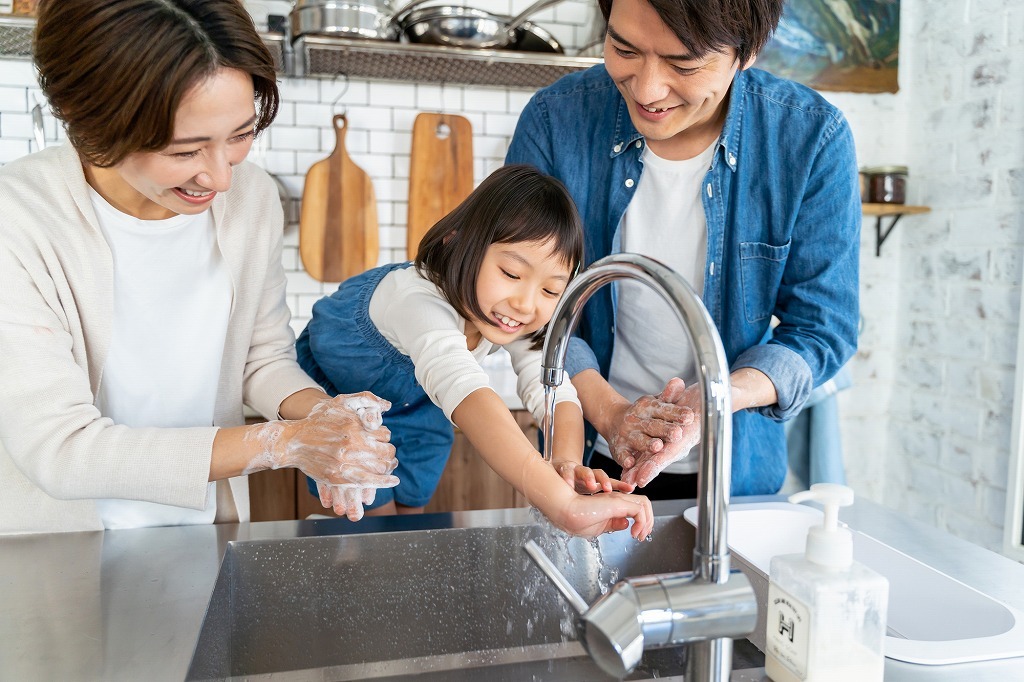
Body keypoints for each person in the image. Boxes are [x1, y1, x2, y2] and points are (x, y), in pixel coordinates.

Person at [0, 0, 399, 534]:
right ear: (93, 123)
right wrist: (284, 442)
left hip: (207, 531)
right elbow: (61, 449)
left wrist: (326, 421)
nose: (220, 179)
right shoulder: (20, 218)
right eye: (185, 151)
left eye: (239, 134)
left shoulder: (252, 198)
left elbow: (260, 361)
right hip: (61, 551)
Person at [505, 0, 860, 498]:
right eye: (624, 48)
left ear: (748, 51)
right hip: (587, 456)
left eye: (684, 64)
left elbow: (823, 330)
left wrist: (714, 400)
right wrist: (610, 413)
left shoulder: (810, 138)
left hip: (737, 477)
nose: (647, 89)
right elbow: (521, 308)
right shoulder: (554, 119)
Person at [297, 164, 654, 540]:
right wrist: (561, 505)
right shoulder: (416, 301)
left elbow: (554, 389)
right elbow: (466, 390)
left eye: (550, 291)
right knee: (375, 529)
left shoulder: (506, 316)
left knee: (410, 514)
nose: (525, 304)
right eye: (512, 274)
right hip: (341, 394)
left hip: (419, 406)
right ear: (457, 244)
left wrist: (564, 463)